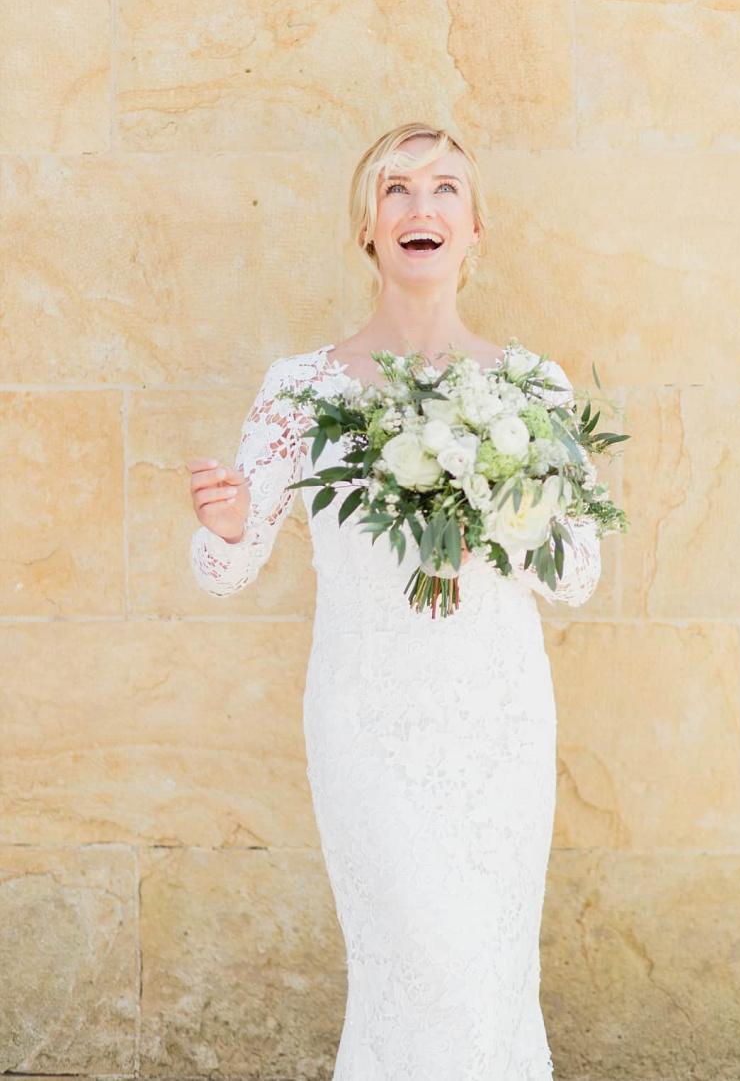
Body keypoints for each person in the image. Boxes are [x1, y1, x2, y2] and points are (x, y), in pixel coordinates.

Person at [187, 122, 602, 1079]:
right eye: (397, 189)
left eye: (445, 187)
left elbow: (576, 573)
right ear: (367, 228)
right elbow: (229, 567)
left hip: (497, 726)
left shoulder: (530, 384)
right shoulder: (300, 390)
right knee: (412, 963)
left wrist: (514, 500)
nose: (422, 206)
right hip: (366, 723)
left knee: (490, 975)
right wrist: (227, 521)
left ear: (477, 227)